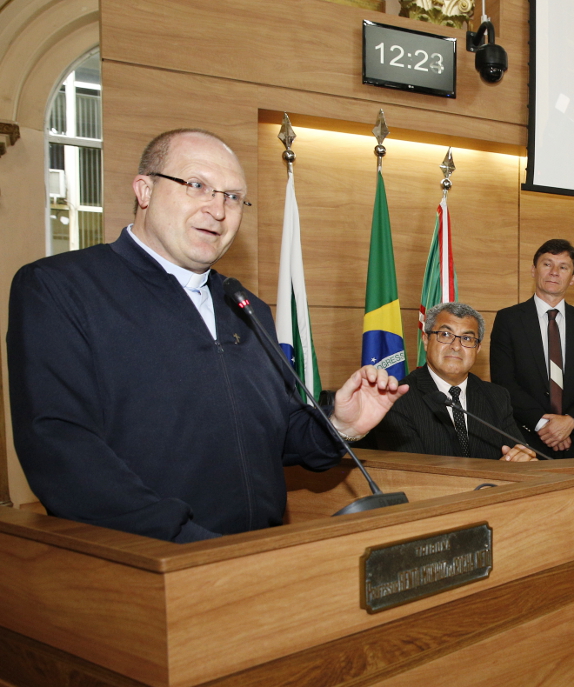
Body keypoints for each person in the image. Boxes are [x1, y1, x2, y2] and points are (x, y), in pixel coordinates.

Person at [7, 128, 405, 543]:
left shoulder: (246, 308)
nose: (218, 210)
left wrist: (340, 424)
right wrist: (189, 544)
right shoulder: (60, 288)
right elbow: (60, 449)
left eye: (232, 197)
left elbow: (276, 432)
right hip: (146, 566)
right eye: (197, 186)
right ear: (144, 190)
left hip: (257, 558)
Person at [362, 302, 536, 461]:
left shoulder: (497, 397)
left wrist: (524, 460)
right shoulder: (397, 399)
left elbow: (520, 454)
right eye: (445, 335)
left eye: (467, 338)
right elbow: (411, 471)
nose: (456, 346)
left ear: (478, 348)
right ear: (425, 340)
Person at [490, 239, 574, 458]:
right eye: (547, 264)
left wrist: (570, 422)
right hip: (526, 441)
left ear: (573, 278)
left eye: (563, 267)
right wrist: (546, 426)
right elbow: (503, 381)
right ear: (533, 270)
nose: (554, 272)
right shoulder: (508, 319)